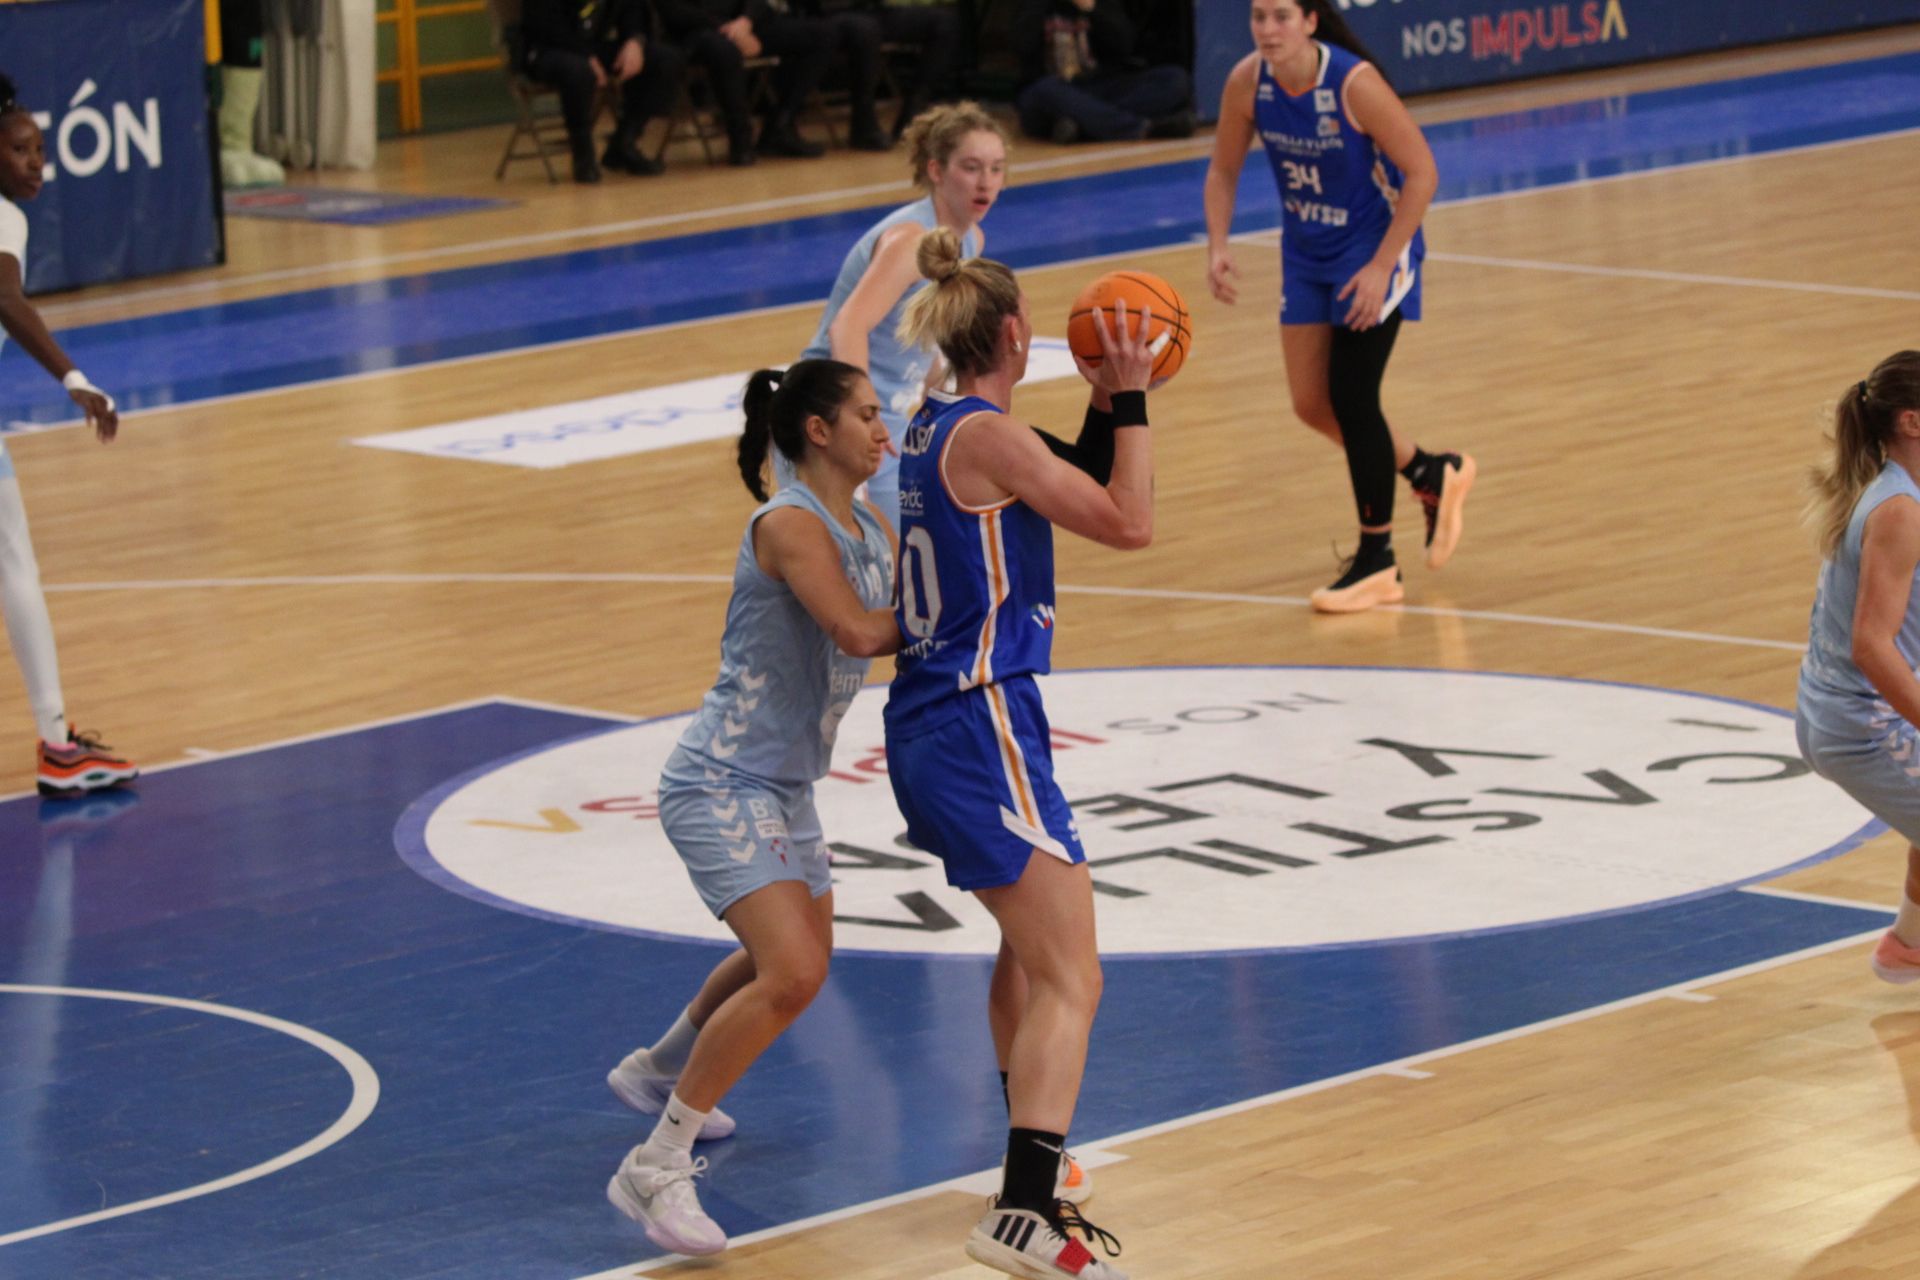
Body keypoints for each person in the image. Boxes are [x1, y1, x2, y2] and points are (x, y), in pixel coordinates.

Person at [884, 226, 1150, 1280]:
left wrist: (1096, 404)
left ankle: (1029, 1166)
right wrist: (1131, 393)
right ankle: (1024, 1211)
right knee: (1073, 971)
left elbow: (1059, 471)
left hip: (946, 722)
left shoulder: (937, 423)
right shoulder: (989, 440)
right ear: (1012, 332)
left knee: (1026, 952)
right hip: (976, 718)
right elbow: (1127, 520)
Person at [602, 359, 899, 1256]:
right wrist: (968, 609)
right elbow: (858, 630)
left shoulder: (871, 522)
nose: (882, 431)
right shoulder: (787, 524)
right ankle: (655, 1164)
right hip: (722, 779)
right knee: (794, 973)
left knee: (801, 960)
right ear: (819, 431)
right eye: (867, 415)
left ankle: (657, 1071)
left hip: (783, 784)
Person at [1203, 0, 1474, 613]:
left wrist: (1382, 266)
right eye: (1258, 17)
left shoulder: (1353, 84)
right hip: (1305, 253)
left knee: (1353, 398)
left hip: (1372, 252)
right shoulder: (1248, 82)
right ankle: (1430, 472)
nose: (1267, 30)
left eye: (1280, 17)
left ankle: (1377, 558)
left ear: (1310, 21)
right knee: (1311, 403)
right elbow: (1222, 171)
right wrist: (1218, 245)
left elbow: (1422, 173)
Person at [0, 77, 139, 800]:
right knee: (16, 566)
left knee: (15, 561)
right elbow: (3, 297)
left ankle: (59, 742)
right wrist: (72, 375)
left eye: (42, 151)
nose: (36, 164)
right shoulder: (1, 218)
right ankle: (58, 747)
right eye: (20, 149)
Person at [796, 102, 1008, 530]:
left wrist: (946, 408)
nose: (985, 182)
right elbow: (848, 326)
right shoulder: (911, 240)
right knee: (852, 570)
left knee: (900, 564)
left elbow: (931, 341)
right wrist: (861, 419)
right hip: (830, 416)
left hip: (885, 422)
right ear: (936, 170)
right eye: (971, 167)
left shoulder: (971, 241)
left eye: (996, 169)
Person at [1796, 352, 1920, 984]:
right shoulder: (1899, 509)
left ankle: (1909, 945)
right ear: (1912, 421)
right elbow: (1872, 646)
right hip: (1862, 727)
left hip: (1842, 712)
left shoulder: (1896, 490)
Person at [654, 0, 872, 162]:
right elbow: (672, 11)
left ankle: (780, 124)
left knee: (823, 33)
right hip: (697, 33)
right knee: (724, 50)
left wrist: (746, 21)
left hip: (746, 26)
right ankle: (740, 136)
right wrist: (730, 31)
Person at [519, 0, 683, 181]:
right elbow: (543, 25)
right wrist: (585, 55)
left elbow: (632, 8)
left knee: (664, 60)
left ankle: (624, 142)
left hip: (594, 46)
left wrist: (634, 41)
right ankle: (583, 156)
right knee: (578, 72)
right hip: (550, 48)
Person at [1014, 0, 1195, 146]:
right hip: (1055, 93)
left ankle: (1081, 127)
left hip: (1100, 88)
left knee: (1175, 80)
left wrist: (1091, 8)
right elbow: (1022, 45)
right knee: (1042, 92)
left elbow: (1124, 46)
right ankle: (1143, 128)